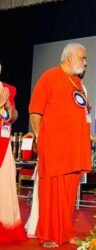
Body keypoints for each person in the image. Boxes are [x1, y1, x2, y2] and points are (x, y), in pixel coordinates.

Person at [29, 42, 92, 248]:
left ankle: (65, 232)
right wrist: (39, 136)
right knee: (51, 194)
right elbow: (35, 111)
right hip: (55, 147)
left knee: (67, 195)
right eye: (82, 58)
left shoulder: (77, 83)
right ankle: (48, 235)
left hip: (75, 149)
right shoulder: (50, 76)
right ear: (69, 57)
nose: (85, 62)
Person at [0, 60, 27, 243]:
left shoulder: (8, 89)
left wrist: (10, 109)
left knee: (4, 185)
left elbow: (15, 115)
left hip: (4, 142)